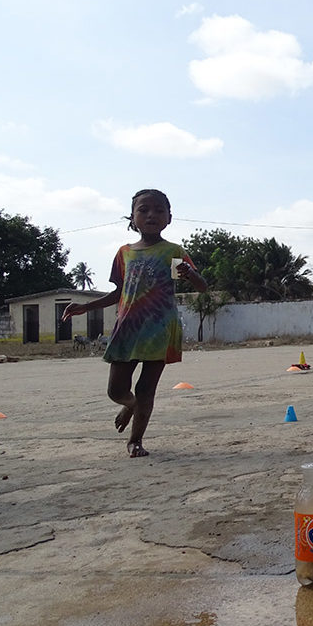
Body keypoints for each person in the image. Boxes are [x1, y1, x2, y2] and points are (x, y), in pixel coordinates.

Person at [62, 189, 207, 458]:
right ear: (132, 218)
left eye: (159, 210)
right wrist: (85, 307)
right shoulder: (124, 253)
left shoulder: (173, 252)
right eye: (144, 210)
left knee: (145, 389)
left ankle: (135, 441)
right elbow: (118, 292)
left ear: (169, 218)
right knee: (116, 389)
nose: (151, 215)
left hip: (159, 329)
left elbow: (202, 287)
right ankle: (130, 405)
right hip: (127, 327)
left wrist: (190, 274)